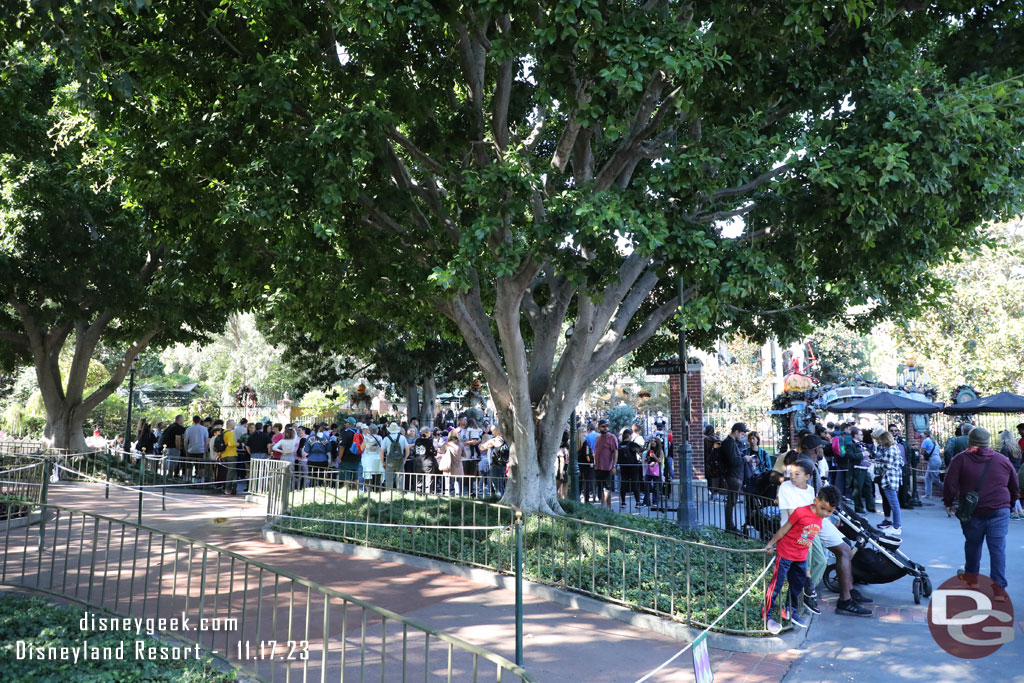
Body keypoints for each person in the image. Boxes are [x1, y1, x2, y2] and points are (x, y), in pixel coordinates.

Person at [943, 427, 1019, 589]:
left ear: (970, 441)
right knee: (997, 549)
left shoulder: (960, 459)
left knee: (973, 546)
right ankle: (998, 588)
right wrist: (1011, 505)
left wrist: (948, 503)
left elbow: (950, 483)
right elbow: (1014, 485)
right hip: (999, 509)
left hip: (973, 511)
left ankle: (971, 581)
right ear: (988, 442)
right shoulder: (1002, 460)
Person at [762, 485, 840, 634]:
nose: (825, 513)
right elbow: (784, 529)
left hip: (801, 557)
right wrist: (771, 544)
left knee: (797, 586)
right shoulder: (801, 512)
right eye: (823, 508)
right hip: (786, 554)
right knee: (776, 585)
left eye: (830, 511)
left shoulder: (820, 518)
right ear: (816, 501)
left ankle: (789, 610)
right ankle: (767, 615)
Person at [873, 428, 903, 536]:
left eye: (880, 440)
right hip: (893, 479)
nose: (879, 442)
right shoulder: (894, 448)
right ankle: (896, 525)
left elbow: (886, 466)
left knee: (894, 504)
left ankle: (897, 526)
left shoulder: (890, 450)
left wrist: (875, 464)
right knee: (894, 504)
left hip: (889, 479)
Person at [719, 423, 747, 533]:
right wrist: (745, 459)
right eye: (742, 434)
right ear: (736, 432)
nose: (743, 436)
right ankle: (729, 526)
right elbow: (734, 461)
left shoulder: (731, 443)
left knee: (732, 501)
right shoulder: (729, 443)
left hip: (734, 475)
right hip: (733, 476)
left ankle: (730, 525)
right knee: (731, 501)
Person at [848, 427, 877, 513]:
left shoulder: (863, 444)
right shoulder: (850, 444)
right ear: (855, 435)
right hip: (857, 469)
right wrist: (862, 454)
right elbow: (850, 456)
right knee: (857, 489)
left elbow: (870, 453)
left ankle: (871, 506)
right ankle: (859, 507)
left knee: (869, 488)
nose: (862, 436)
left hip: (866, 468)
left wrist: (871, 458)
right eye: (860, 434)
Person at [593, 420, 618, 509]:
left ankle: (608, 507)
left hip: (608, 467)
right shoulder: (597, 438)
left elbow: (615, 452)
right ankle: (602, 507)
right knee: (600, 488)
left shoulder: (612, 437)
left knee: (607, 488)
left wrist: (614, 466)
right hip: (598, 467)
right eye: (603, 426)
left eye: (607, 426)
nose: (606, 428)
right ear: (599, 427)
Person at [617, 428, 642, 508]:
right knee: (635, 485)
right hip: (633, 467)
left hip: (623, 467)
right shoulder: (632, 444)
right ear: (629, 435)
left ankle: (623, 502)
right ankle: (637, 502)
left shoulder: (620, 445)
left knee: (623, 485)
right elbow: (640, 451)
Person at [480, 426, 508, 495]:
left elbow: (482, 447)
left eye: (493, 431)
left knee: (496, 485)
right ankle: (502, 496)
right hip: (503, 464)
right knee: (501, 483)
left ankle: (499, 500)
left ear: (496, 431)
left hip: (495, 464)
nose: (492, 432)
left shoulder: (494, 440)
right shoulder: (506, 439)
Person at [381, 422, 410, 490]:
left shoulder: (386, 439)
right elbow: (407, 450)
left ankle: (389, 493)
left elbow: (381, 452)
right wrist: (405, 459)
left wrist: (383, 462)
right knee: (400, 477)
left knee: (389, 478)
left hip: (389, 461)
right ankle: (400, 493)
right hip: (400, 460)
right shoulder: (402, 438)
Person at [184, 415, 209, 483]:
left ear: (193, 420)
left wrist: (186, 449)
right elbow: (206, 440)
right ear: (200, 420)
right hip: (200, 450)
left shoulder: (189, 429)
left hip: (191, 449)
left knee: (189, 466)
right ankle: (201, 479)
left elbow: (186, 440)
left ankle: (188, 479)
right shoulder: (204, 429)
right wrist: (205, 449)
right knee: (201, 466)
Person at [337, 417, 362, 484]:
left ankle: (345, 492)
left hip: (346, 459)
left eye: (346, 422)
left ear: (349, 424)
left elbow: (342, 447)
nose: (345, 424)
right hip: (357, 458)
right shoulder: (358, 432)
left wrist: (339, 458)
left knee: (345, 478)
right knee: (355, 478)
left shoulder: (346, 432)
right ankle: (356, 492)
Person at [439, 431, 464, 495]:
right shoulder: (461, 444)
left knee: (448, 482)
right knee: (457, 481)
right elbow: (464, 454)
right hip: (458, 465)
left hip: (448, 465)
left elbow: (440, 451)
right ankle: (457, 495)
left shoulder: (447, 444)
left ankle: (447, 495)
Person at [219, 420, 240, 495]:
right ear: (231, 425)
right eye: (234, 424)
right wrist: (237, 444)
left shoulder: (223, 433)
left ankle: (234, 487)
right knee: (230, 472)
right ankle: (227, 489)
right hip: (231, 454)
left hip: (224, 454)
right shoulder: (230, 433)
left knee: (232, 472)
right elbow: (231, 444)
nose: (235, 426)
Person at [920, 430, 942, 499]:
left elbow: (922, 451)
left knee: (936, 479)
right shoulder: (934, 441)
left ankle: (949, 491)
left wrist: (922, 454)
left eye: (922, 434)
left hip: (933, 460)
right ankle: (928, 494)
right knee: (927, 478)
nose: (921, 435)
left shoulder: (926, 441)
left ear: (925, 434)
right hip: (937, 459)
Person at [360, 424, 383, 488]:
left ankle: (368, 490)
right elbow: (382, 448)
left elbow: (362, 448)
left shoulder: (366, 438)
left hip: (368, 457)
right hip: (377, 457)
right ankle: (378, 490)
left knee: (368, 474)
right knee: (377, 474)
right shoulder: (380, 438)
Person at [642, 438, 663, 507]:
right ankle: (646, 501)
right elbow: (646, 460)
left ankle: (655, 501)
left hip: (656, 471)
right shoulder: (649, 451)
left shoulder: (660, 451)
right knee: (646, 486)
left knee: (656, 487)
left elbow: (660, 460)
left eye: (654, 441)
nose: (653, 442)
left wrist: (654, 456)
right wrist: (647, 459)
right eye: (652, 441)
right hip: (649, 470)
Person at [556, 431, 570, 499]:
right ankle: (565, 501)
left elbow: (562, 461)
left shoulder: (560, 449)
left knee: (558, 490)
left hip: (560, 471)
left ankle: (561, 502)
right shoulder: (567, 448)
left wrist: (561, 473)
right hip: (565, 470)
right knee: (565, 490)